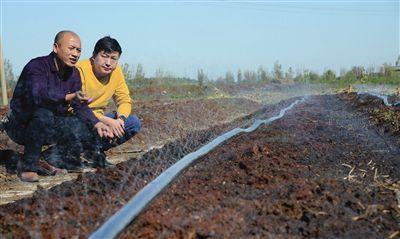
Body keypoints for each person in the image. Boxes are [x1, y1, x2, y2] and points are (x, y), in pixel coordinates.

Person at [2, 30, 110, 182]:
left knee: (83, 126)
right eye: (71, 48)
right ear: (56, 47)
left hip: (48, 124)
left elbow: (79, 106)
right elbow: (38, 96)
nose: (75, 54)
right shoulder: (37, 66)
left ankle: (51, 159)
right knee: (43, 114)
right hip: (20, 124)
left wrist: (97, 123)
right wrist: (68, 96)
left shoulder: (74, 74)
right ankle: (28, 167)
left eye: (78, 50)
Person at [75, 36, 141, 155]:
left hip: (100, 120)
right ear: (94, 55)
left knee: (133, 123)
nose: (108, 63)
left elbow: (124, 99)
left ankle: (94, 151)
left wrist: (120, 120)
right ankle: (64, 151)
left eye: (113, 58)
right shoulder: (79, 70)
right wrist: (107, 121)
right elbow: (75, 108)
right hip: (79, 119)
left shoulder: (115, 71)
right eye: (104, 56)